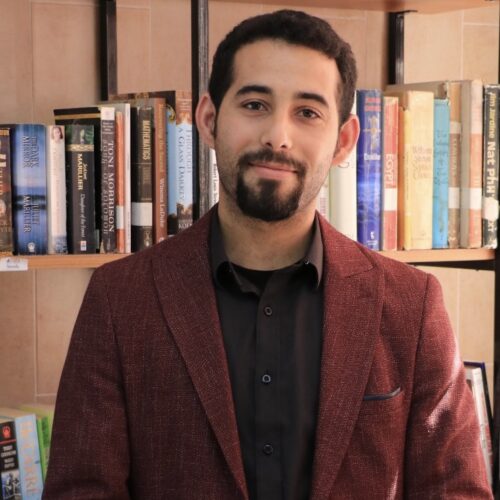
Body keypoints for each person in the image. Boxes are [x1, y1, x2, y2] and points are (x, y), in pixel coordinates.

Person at [42, 9, 492, 500]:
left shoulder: (413, 304)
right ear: (210, 120)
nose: (278, 136)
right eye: (255, 104)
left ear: (344, 141)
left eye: (308, 112)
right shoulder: (119, 299)